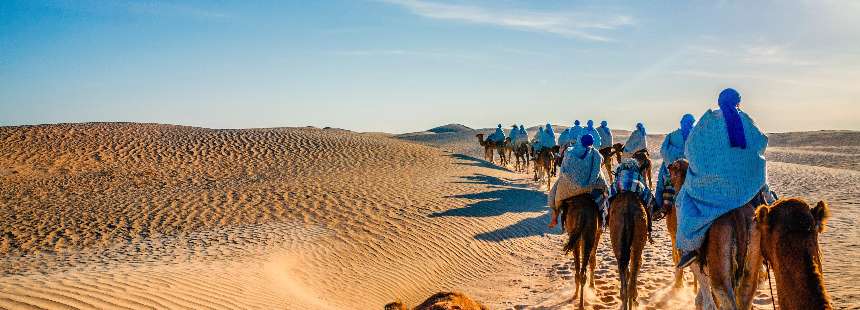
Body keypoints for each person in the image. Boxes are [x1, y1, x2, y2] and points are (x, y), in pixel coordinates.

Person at [676, 88, 775, 268]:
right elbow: (761, 143)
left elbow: (689, 150)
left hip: (710, 189)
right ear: (739, 102)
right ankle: (770, 252)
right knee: (768, 201)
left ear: (719, 102)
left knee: (681, 201)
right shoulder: (746, 120)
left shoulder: (706, 122)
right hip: (745, 187)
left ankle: (690, 248)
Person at [547, 134, 608, 228]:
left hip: (569, 187)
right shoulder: (596, 154)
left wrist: (565, 179)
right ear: (592, 142)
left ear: (580, 141)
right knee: (606, 194)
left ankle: (554, 218)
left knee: (554, 193)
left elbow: (563, 168)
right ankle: (603, 221)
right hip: (589, 187)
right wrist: (589, 184)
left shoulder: (570, 151)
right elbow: (596, 172)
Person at [654, 114, 695, 215]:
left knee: (661, 184)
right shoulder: (694, 135)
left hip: (679, 166)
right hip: (684, 166)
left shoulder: (673, 135)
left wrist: (674, 157)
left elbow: (664, 150)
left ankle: (658, 208)